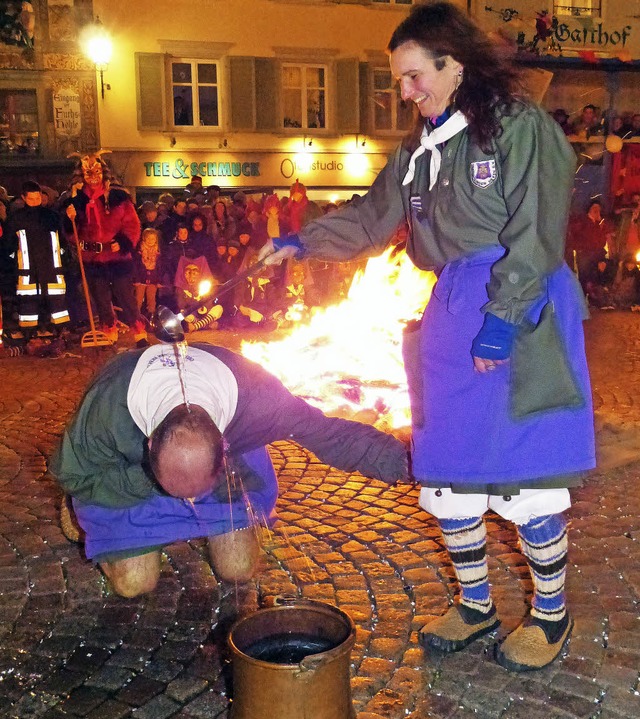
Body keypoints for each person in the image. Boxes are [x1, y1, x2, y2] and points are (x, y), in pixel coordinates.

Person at [259, 0, 595, 672]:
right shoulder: (416, 151)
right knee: (447, 474)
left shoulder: (517, 127)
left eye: (414, 75)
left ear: (454, 64)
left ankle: (552, 614)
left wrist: (501, 323)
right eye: (400, 78)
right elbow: (372, 216)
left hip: (519, 307)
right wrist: (301, 241)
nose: (404, 90)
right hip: (450, 309)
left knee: (523, 475)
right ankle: (476, 605)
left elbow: (535, 231)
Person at [50, 342, 408, 597]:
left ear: (223, 446)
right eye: (182, 492)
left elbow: (334, 436)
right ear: (148, 446)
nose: (189, 499)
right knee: (134, 584)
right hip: (130, 478)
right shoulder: (108, 408)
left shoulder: (258, 398)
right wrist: (147, 481)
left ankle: (197, 489)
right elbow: (73, 473)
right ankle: (81, 516)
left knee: (239, 568)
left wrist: (412, 463)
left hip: (208, 471)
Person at [62, 151, 147, 346]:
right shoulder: (75, 200)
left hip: (117, 257)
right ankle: (109, 328)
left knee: (125, 296)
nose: (93, 177)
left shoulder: (118, 197)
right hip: (92, 258)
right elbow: (71, 233)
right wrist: (70, 218)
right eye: (88, 173)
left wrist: (125, 241)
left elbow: (132, 224)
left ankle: (138, 329)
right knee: (100, 297)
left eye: (97, 172)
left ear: (104, 172)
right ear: (81, 175)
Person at [2, 180, 70, 339]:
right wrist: (13, 263)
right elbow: (8, 245)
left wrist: (63, 258)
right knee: (28, 302)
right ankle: (29, 333)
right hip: (27, 270)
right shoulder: (16, 219)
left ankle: (59, 331)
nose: (35, 202)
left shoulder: (52, 217)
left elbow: (63, 241)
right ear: (23, 198)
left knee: (57, 302)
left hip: (52, 268)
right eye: (31, 199)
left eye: (37, 198)